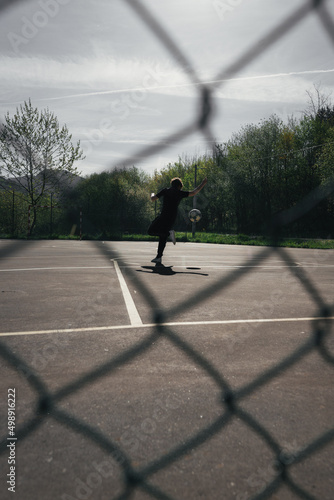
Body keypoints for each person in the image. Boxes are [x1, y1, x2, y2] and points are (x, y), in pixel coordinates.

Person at [148, 176, 207, 263]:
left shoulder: (165, 190)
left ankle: (168, 235)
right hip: (172, 217)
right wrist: (203, 183)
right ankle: (159, 257)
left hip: (163, 216)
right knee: (163, 235)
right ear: (179, 186)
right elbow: (194, 192)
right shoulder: (179, 193)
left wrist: (152, 194)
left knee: (151, 231)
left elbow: (153, 199)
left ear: (172, 184)